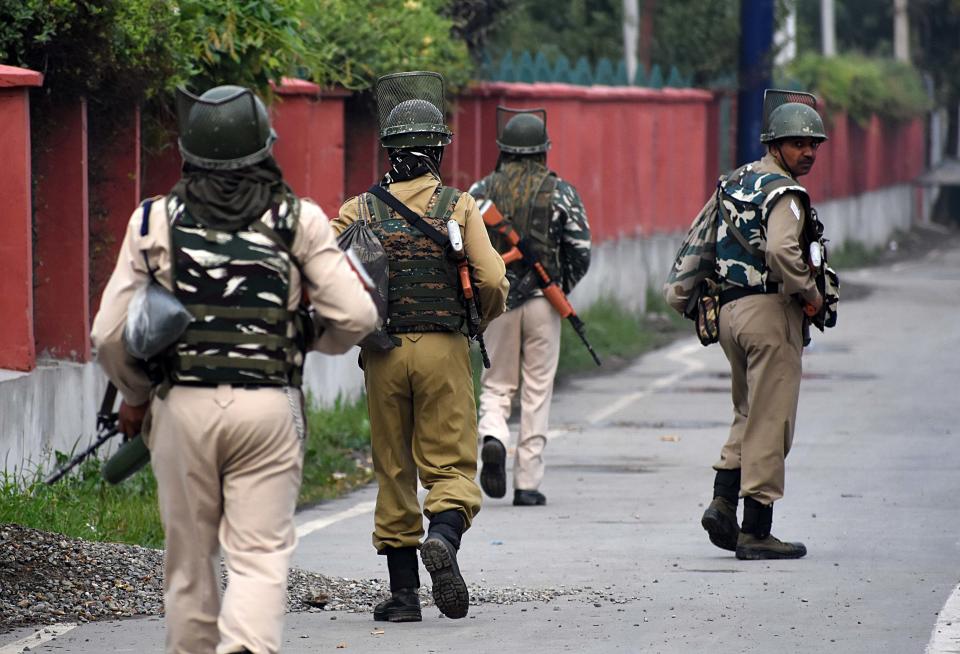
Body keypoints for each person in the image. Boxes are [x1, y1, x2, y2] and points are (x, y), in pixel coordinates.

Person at [91, 85, 379, 654]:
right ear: (264, 147)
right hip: (268, 406)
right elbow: (359, 314)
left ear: (188, 151)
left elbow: (107, 334)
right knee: (259, 556)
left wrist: (138, 392)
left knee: (190, 563)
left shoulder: (151, 223)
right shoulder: (298, 220)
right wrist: (307, 336)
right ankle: (246, 645)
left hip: (181, 409)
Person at [330, 71, 508, 622]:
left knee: (393, 466)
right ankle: (445, 541)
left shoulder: (358, 209)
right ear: (435, 150)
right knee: (450, 461)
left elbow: (330, 276)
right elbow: (494, 280)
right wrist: (476, 317)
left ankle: (404, 596)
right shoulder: (458, 206)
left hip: (381, 355)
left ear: (388, 150)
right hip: (442, 349)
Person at [700, 90, 829, 560]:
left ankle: (721, 500)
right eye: (798, 144)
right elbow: (780, 251)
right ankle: (756, 529)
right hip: (771, 313)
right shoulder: (786, 194)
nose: (808, 152)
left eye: (814, 144)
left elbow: (700, 241)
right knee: (773, 421)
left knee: (748, 412)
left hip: (731, 313)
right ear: (775, 145)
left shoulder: (734, 182)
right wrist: (811, 295)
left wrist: (687, 297)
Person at [469, 108, 591, 506]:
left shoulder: (479, 191)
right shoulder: (561, 191)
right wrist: (558, 286)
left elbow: (463, 246)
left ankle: (492, 435)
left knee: (497, 383)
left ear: (504, 150)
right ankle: (527, 483)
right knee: (537, 389)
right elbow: (580, 249)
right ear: (543, 151)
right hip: (543, 300)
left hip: (496, 299)